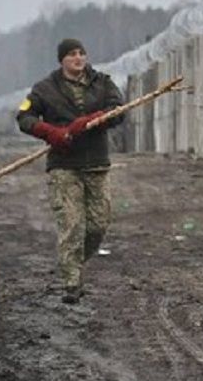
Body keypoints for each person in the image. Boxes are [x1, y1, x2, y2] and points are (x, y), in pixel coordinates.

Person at [17, 39, 124, 304]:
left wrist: (90, 121)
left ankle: (73, 261)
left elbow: (118, 110)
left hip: (96, 163)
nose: (78, 58)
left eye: (81, 53)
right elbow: (23, 117)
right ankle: (71, 282)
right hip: (64, 166)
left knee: (98, 225)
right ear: (62, 60)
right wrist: (50, 132)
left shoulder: (102, 83)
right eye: (72, 54)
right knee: (72, 223)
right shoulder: (44, 89)